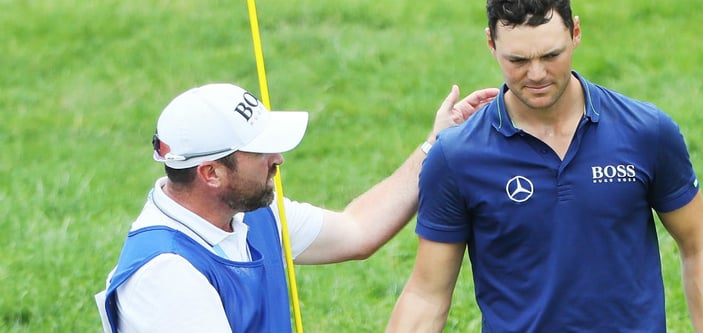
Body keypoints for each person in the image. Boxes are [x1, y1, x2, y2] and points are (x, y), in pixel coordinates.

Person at [386, 1, 703, 332]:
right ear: (491, 43)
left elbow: (700, 247)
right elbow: (426, 296)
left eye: (551, 55)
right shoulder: (457, 157)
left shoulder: (646, 132)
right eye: (517, 60)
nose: (537, 75)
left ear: (575, 32)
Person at [96, 82, 498, 333]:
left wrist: (435, 143)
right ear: (212, 173)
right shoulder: (164, 275)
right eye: (261, 152)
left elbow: (357, 231)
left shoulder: (250, 215)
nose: (278, 158)